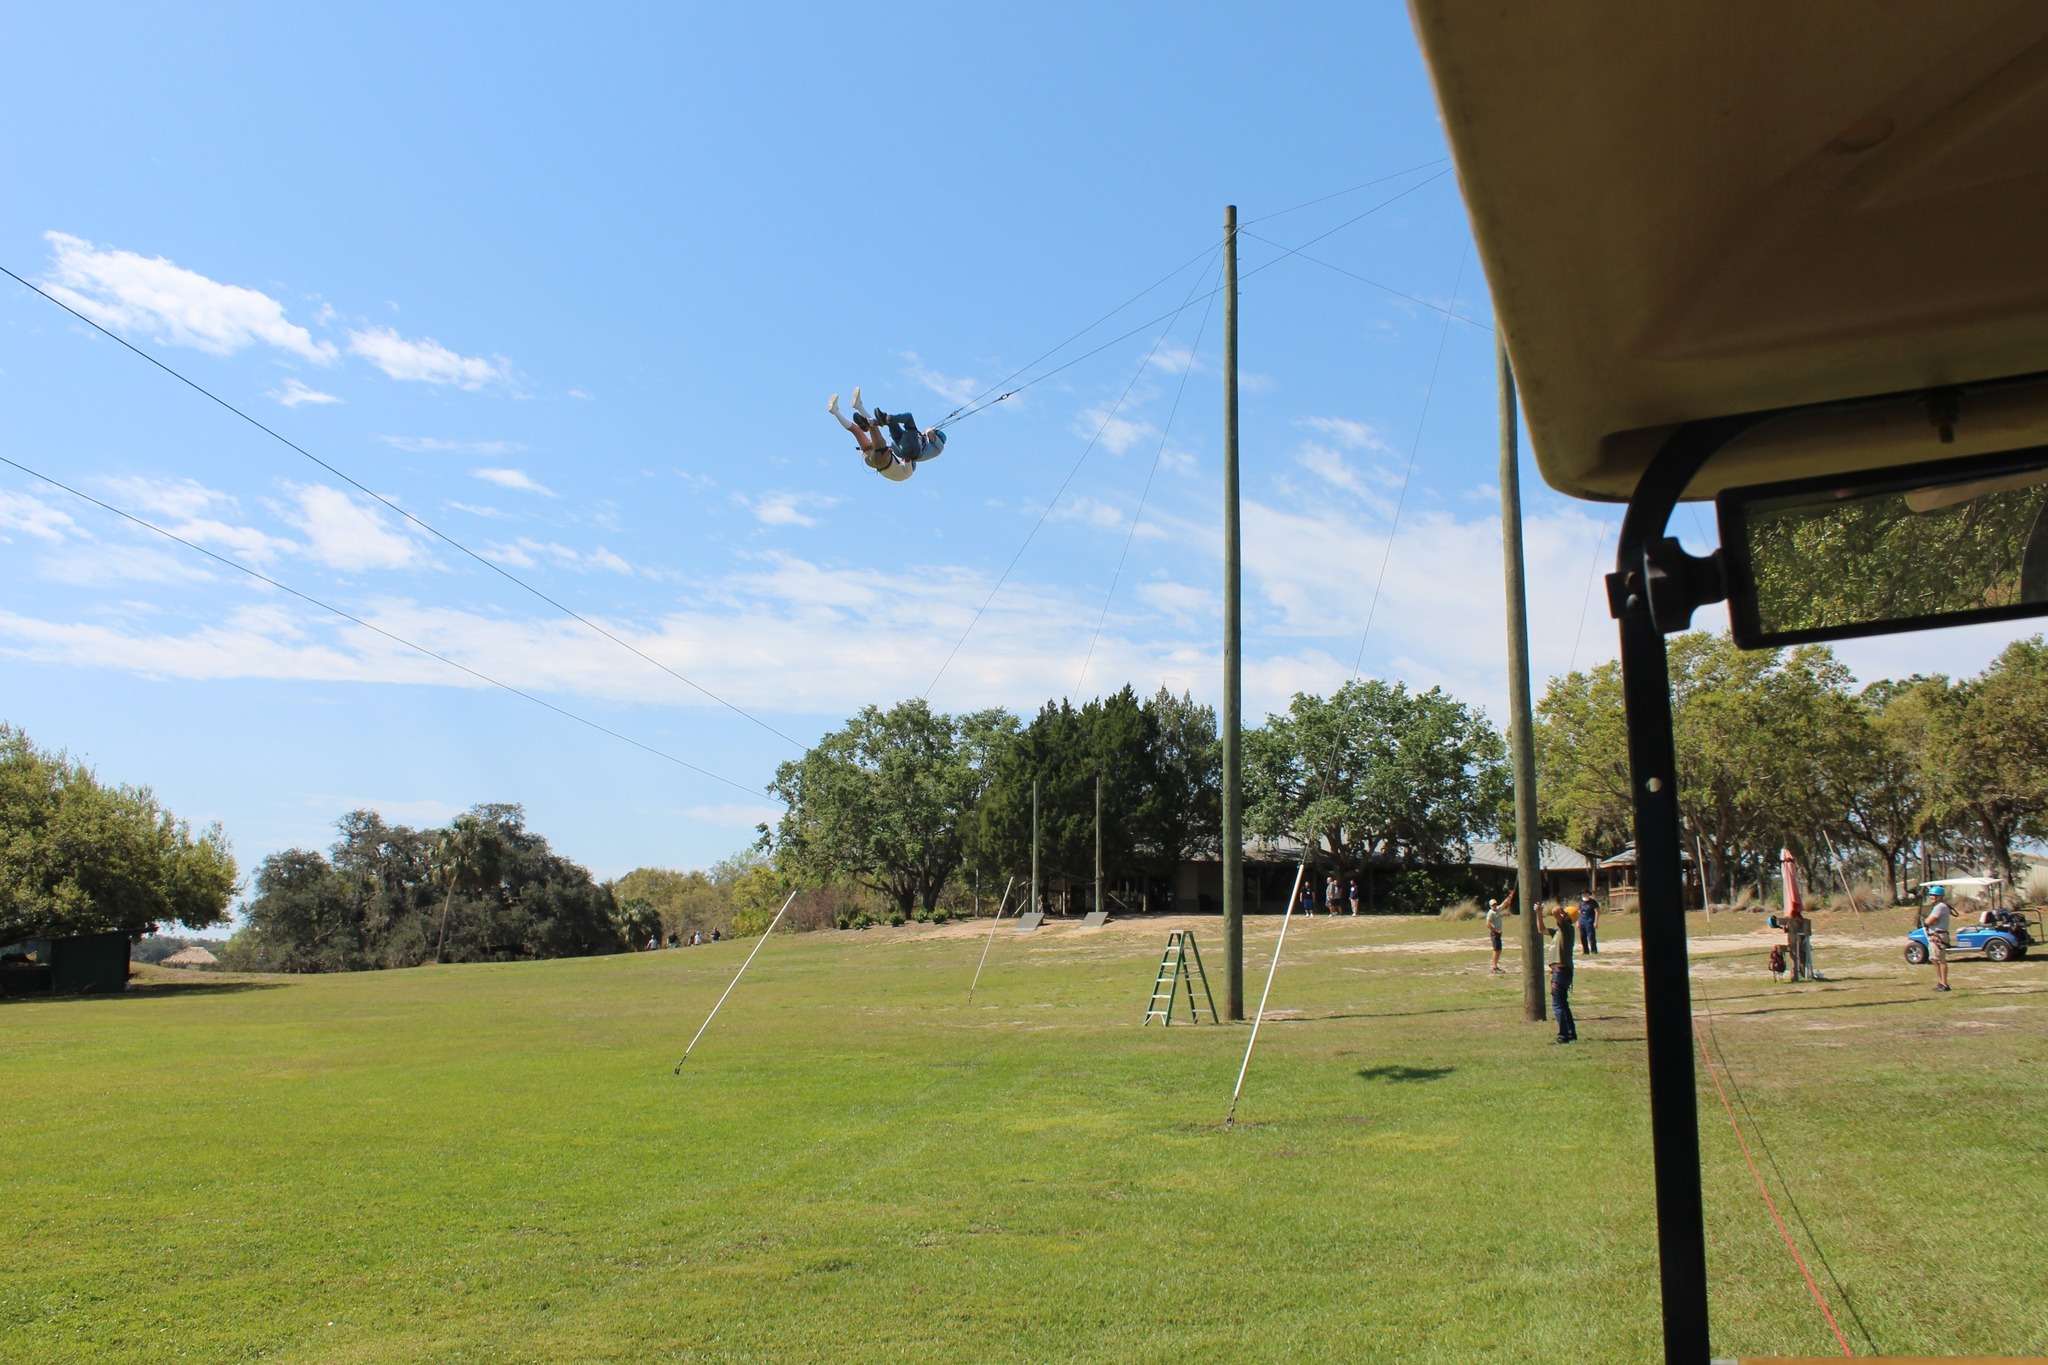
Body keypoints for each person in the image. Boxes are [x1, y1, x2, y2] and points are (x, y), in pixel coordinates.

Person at [1549, 903, 1578, 1043]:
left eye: (1565, 913)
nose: (1562, 914)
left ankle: (1563, 1035)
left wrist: (1559, 907)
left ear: (1567, 917)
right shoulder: (1564, 929)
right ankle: (1571, 1032)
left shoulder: (1566, 927)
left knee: (1557, 1004)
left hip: (1560, 971)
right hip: (1564, 970)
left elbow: (1554, 911)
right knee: (1563, 1003)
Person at [1922, 886, 1953, 993]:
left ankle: (1944, 983)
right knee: (1935, 959)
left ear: (1940, 897)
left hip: (1938, 936)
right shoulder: (1937, 906)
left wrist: (1927, 921)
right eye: (1931, 895)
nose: (1931, 897)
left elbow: (1930, 921)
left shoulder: (1940, 907)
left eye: (1934, 896)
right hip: (1934, 936)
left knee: (1940, 960)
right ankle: (1941, 982)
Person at [1485, 897, 1506, 974]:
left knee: (1499, 950)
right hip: (1495, 934)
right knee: (1496, 951)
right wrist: (1496, 930)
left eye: (1495, 904)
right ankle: (1494, 968)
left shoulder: (1498, 909)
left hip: (1498, 934)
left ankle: (1496, 967)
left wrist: (1510, 897)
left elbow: (1504, 904)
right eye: (1493, 905)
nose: (1494, 905)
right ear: (1490, 905)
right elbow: (1487, 924)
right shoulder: (1490, 913)